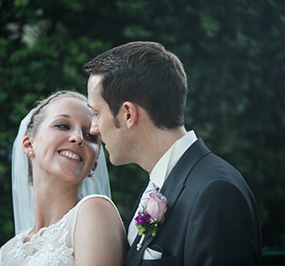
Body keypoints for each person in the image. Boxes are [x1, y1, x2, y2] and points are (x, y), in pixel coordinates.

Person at [83, 41, 261, 265]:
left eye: (97, 113)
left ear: (128, 113)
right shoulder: (159, 185)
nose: (93, 128)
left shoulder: (215, 191)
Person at [0, 90, 127, 265]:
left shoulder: (93, 212)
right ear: (29, 144)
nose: (78, 138)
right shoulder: (7, 251)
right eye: (62, 125)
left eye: (90, 135)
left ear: (93, 166)